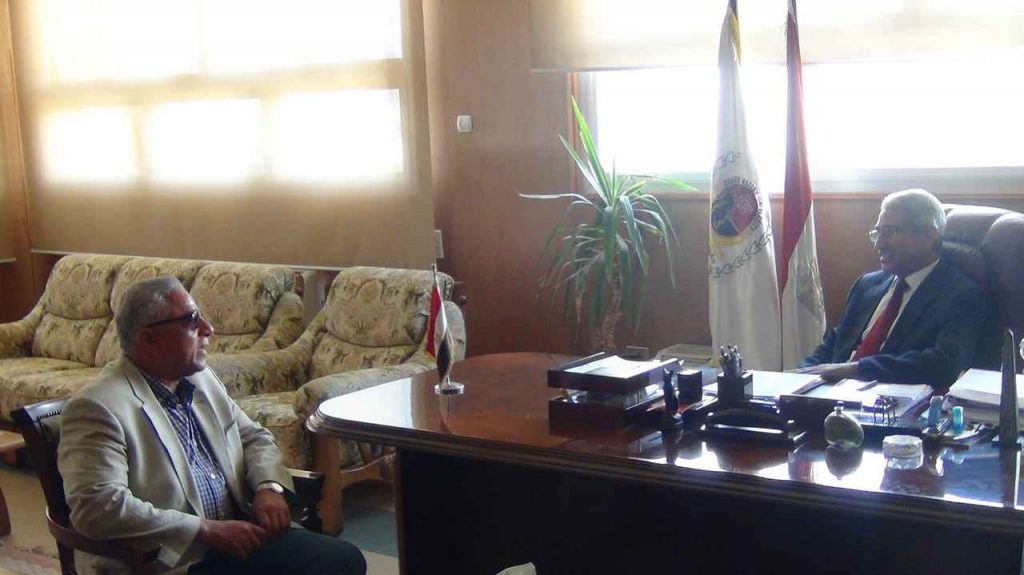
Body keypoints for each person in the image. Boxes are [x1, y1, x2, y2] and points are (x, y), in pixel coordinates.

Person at [57, 277, 367, 575]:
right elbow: (97, 509)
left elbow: (253, 436)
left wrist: (268, 487)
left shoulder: (200, 379)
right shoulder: (98, 406)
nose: (208, 329)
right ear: (149, 338)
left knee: (343, 559)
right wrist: (204, 530)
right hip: (169, 560)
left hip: (237, 540)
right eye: (192, 320)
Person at [796, 189, 984, 388]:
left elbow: (945, 364)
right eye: (878, 233)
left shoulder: (960, 295)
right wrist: (796, 376)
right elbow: (834, 342)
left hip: (886, 398)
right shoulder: (867, 285)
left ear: (928, 235)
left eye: (890, 232)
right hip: (828, 393)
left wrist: (858, 369)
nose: (879, 244)